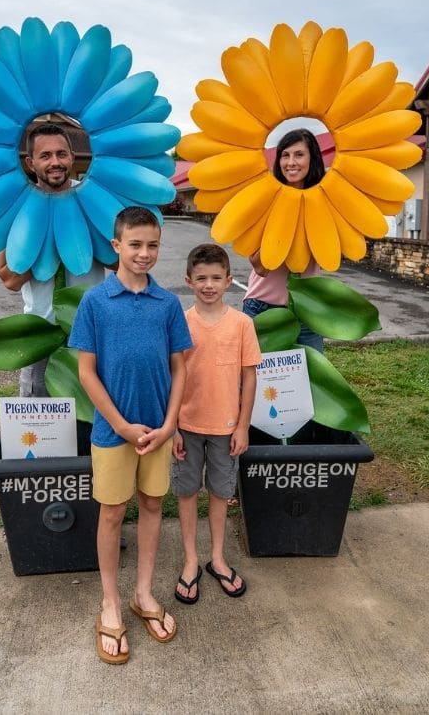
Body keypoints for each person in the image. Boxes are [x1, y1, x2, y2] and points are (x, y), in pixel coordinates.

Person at [68, 206, 192, 665]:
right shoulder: (95, 303)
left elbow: (180, 367)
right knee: (113, 512)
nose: (144, 253)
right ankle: (111, 602)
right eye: (135, 244)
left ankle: (142, 593)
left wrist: (170, 423)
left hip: (158, 430)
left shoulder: (168, 304)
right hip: (112, 431)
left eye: (153, 245)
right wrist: (120, 424)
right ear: (116, 246)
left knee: (154, 504)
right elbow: (86, 371)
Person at [172, 243, 261, 603]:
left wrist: (242, 425)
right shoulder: (180, 322)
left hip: (226, 429)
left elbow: (250, 377)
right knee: (187, 492)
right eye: (201, 278)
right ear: (189, 281)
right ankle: (191, 560)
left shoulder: (242, 324)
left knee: (221, 494)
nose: (208, 285)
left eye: (216, 278)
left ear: (229, 281)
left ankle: (218, 558)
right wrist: (173, 425)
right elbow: (172, 374)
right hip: (187, 425)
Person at [0, 122, 105, 396]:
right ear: (31, 163)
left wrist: (81, 234)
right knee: (39, 425)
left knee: (94, 424)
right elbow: (10, 279)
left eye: (61, 154)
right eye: (45, 156)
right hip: (40, 335)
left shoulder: (92, 199)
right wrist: (49, 241)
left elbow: (120, 262)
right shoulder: (18, 206)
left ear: (72, 157)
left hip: (90, 332)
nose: (55, 162)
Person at [242, 128, 325, 353]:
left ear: (312, 158)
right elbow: (259, 267)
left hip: (307, 309)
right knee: (258, 384)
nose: (291, 162)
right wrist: (285, 224)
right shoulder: (266, 199)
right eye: (285, 155)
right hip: (262, 305)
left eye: (299, 154)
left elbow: (328, 257)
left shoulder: (326, 201)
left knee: (308, 384)